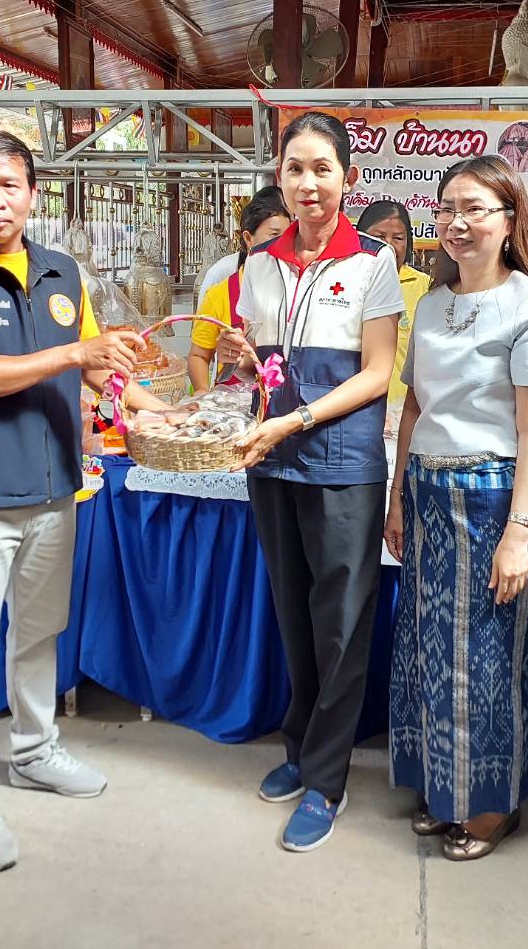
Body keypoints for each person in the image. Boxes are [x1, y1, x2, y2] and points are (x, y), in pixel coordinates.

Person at [0, 129, 166, 873]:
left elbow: (98, 374)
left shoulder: (60, 271)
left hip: (56, 487)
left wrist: (154, 409)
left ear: (32, 192)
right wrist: (73, 354)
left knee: (39, 631)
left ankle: (35, 748)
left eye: (9, 183)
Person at [219, 112, 402, 852]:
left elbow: (379, 374)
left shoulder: (371, 264)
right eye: (295, 168)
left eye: (322, 168)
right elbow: (262, 375)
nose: (308, 183)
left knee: (341, 624)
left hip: (342, 468)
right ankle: (297, 745)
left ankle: (326, 778)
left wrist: (291, 425)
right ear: (278, 177)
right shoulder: (256, 267)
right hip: (273, 463)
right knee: (293, 614)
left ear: (347, 179)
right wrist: (240, 358)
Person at [384, 156, 528, 860]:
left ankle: (489, 805)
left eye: (476, 209)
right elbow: (415, 408)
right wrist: (399, 497)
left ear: (509, 218)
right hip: (427, 491)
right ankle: (441, 784)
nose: (457, 223)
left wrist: (518, 532)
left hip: (491, 498)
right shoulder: (429, 302)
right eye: (447, 208)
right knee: (427, 648)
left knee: (485, 656)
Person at [187, 191, 290, 392]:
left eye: (290, 236)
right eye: (274, 235)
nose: (284, 244)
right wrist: (201, 391)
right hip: (233, 406)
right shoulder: (220, 294)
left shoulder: (297, 289)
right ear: (248, 238)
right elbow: (199, 355)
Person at [356, 198, 431, 402]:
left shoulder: (426, 288)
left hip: (405, 408)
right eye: (379, 236)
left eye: (397, 238)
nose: (388, 245)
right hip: (355, 405)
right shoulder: (345, 282)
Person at [195, 185, 286, 309]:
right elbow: (204, 321)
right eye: (274, 234)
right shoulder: (221, 273)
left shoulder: (289, 274)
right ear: (248, 237)